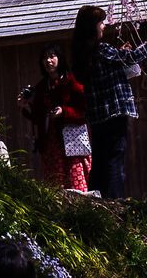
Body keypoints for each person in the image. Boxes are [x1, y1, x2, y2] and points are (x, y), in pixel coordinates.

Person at [95, 15, 147, 200]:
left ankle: (102, 199)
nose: (103, 26)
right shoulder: (100, 48)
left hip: (101, 113)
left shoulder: (89, 50)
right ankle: (115, 201)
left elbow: (119, 62)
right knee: (115, 158)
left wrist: (120, 54)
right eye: (101, 23)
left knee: (104, 159)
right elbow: (130, 57)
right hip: (113, 110)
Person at [23, 49, 96, 193]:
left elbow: (84, 109)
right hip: (52, 141)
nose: (48, 61)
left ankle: (82, 205)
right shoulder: (42, 86)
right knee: (56, 181)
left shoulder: (72, 81)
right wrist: (25, 105)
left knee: (77, 178)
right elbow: (37, 116)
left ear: (60, 59)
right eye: (45, 58)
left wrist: (64, 111)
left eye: (52, 56)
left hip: (73, 139)